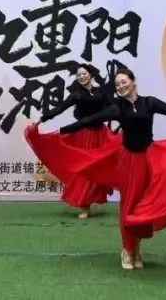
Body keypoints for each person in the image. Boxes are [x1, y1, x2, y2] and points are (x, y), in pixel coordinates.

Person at [26, 68, 166, 270]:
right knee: (129, 204)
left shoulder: (149, 103)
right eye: (117, 84)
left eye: (124, 82)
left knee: (143, 205)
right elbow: (89, 120)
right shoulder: (116, 108)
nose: (120, 86)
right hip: (129, 162)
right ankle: (127, 249)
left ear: (133, 82)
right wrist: (59, 129)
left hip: (149, 159)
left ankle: (136, 249)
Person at [25, 64, 117, 219]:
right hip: (84, 135)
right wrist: (41, 119)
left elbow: (114, 108)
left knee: (101, 166)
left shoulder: (101, 92)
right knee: (84, 168)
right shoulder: (77, 95)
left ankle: (93, 198)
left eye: (84, 73)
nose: (81, 77)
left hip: (101, 134)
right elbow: (59, 108)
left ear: (91, 75)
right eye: (78, 75)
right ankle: (85, 205)